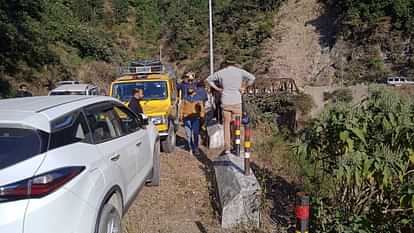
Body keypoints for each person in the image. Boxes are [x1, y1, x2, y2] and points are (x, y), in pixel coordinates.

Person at [207, 61, 256, 154]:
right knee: (237, 125)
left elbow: (208, 79)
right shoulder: (240, 71)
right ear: (235, 65)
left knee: (226, 125)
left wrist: (218, 89)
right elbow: (252, 78)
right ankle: (236, 145)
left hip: (225, 102)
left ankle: (227, 148)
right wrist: (244, 87)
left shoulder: (221, 72)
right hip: (237, 102)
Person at [180, 87, 204, 155]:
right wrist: (181, 116)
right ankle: (191, 148)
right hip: (186, 118)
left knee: (195, 134)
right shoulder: (185, 97)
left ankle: (196, 148)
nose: (190, 89)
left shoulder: (198, 97)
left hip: (195, 118)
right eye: (189, 88)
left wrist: (202, 115)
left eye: (191, 88)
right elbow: (181, 107)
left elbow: (202, 108)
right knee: (188, 134)